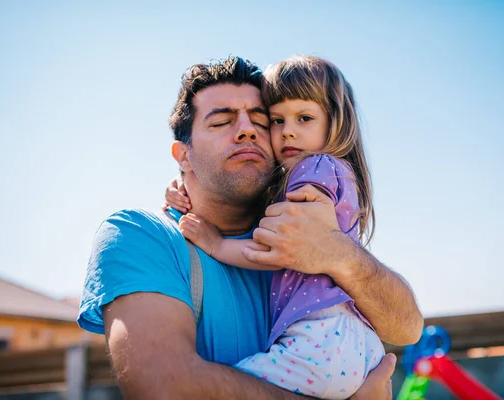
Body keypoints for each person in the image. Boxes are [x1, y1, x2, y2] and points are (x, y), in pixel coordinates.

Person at [77, 56, 423, 399]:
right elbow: (166, 390)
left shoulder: (300, 223)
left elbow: (407, 328)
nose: (248, 129)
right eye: (221, 121)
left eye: (261, 120)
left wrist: (341, 255)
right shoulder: (140, 235)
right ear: (183, 156)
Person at [164, 55, 387, 398]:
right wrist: (185, 182)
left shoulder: (316, 170)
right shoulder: (325, 173)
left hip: (320, 335)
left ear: (336, 124)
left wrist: (217, 245)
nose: (288, 132)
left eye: (305, 118)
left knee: (217, 390)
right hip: (347, 338)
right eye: (277, 120)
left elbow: (284, 247)